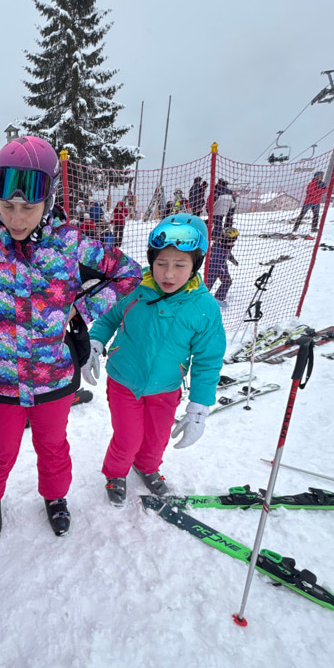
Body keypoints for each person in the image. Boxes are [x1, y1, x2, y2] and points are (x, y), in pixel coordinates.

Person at [0, 136, 142, 539]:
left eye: (28, 207)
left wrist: (82, 310)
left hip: (53, 377)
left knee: (53, 446)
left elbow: (128, 273)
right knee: (0, 449)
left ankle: (55, 497)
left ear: (49, 200)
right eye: (7, 206)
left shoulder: (71, 244)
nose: (16, 218)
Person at [83, 213, 226, 506]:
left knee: (158, 438)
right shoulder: (135, 289)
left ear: (195, 265)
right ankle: (116, 472)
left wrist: (199, 407)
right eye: (161, 263)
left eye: (180, 265)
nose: (168, 274)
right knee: (128, 438)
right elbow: (108, 319)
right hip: (124, 381)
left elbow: (208, 359)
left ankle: (147, 467)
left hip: (167, 387)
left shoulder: (204, 307)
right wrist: (94, 343)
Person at [207, 227, 239, 305]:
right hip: (213, 269)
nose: (233, 243)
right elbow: (215, 262)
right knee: (207, 286)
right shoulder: (217, 249)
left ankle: (218, 299)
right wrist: (222, 270)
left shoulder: (225, 245)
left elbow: (227, 253)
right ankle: (199, 300)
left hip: (222, 266)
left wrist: (232, 259)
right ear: (226, 239)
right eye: (232, 241)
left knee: (227, 281)